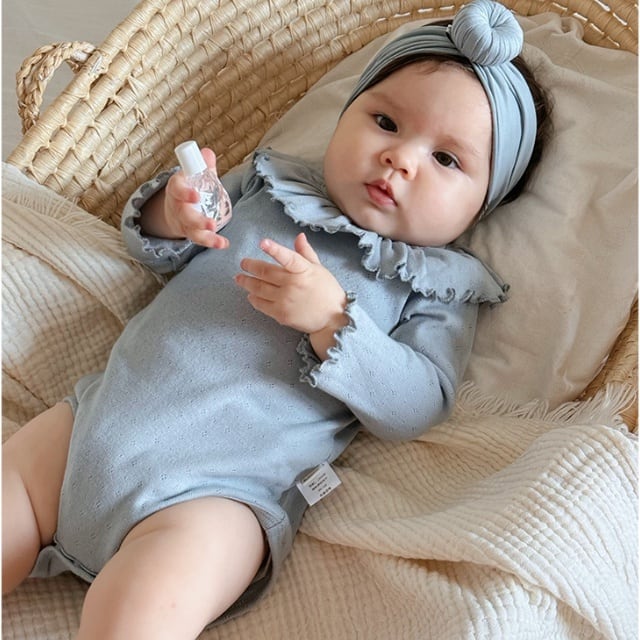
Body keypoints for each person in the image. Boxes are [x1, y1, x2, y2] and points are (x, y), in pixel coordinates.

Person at [3, 1, 551, 638]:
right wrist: (174, 217)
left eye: (447, 160)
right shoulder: (271, 184)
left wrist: (334, 321)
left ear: (483, 205)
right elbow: (160, 251)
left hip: (218, 495)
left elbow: (418, 404)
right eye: (385, 122)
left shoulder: (433, 286)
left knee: (138, 614)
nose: (400, 158)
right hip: (93, 426)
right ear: (347, 112)